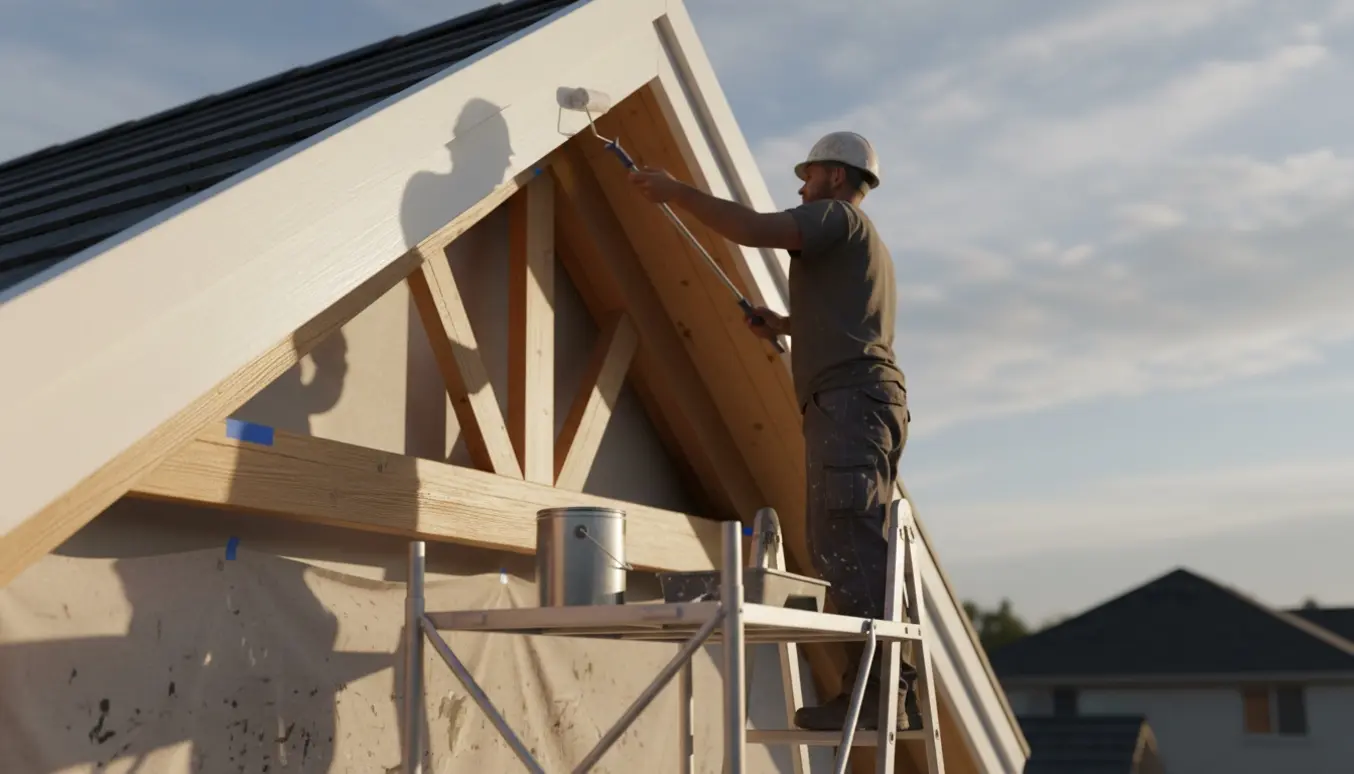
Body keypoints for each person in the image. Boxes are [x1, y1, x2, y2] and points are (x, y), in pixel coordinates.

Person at [627, 131, 919, 731]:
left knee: (846, 538)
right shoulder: (863, 244)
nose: (800, 186)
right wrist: (786, 323)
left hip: (850, 400)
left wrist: (676, 192)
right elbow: (849, 322)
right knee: (849, 536)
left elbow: (759, 228)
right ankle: (882, 690)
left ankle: (880, 695)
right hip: (861, 400)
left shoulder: (835, 217)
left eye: (808, 175)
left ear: (836, 177)